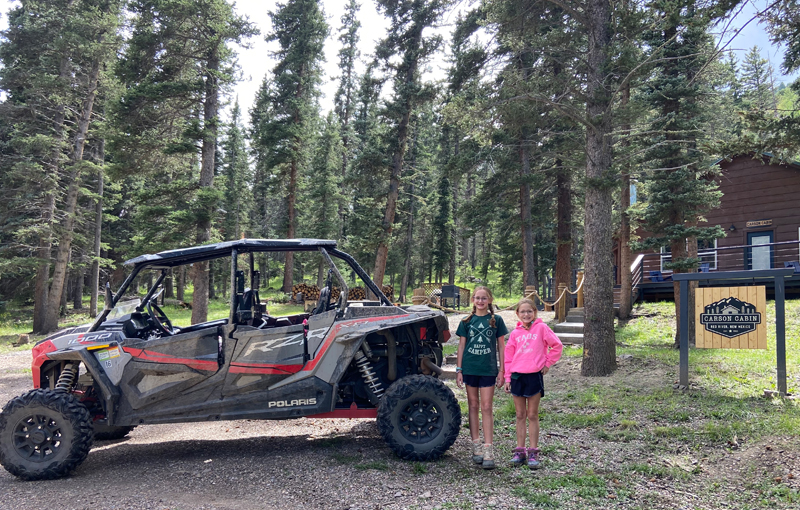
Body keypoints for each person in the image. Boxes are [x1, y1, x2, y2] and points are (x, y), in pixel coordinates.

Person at [503, 298, 563, 469]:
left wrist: (547, 363)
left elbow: (557, 345)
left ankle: (533, 452)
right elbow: (508, 358)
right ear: (517, 314)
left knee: (532, 415)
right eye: (523, 311)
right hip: (517, 377)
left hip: (534, 376)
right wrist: (508, 378)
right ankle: (520, 451)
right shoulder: (515, 334)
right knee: (520, 415)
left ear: (535, 312)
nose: (526, 314)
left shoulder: (542, 328)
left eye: (529, 311)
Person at [455, 286, 508, 469]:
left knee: (486, 406)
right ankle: (476, 444)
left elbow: (501, 347)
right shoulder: (466, 321)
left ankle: (488, 448)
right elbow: (461, 346)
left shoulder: (496, 320)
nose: (480, 301)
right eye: (477, 298)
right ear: (473, 301)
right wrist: (459, 369)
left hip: (488, 368)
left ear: (490, 300)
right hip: (470, 368)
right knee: (473, 405)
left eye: (484, 298)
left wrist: (502, 370)